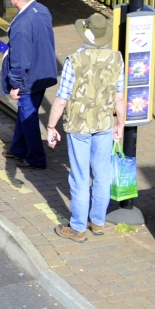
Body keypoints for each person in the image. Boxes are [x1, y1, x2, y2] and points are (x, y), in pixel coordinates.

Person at [46, 13, 127, 242]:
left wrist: (51, 126)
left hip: (79, 126)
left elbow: (61, 99)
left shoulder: (74, 61)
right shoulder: (116, 59)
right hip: (104, 123)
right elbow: (119, 99)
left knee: (80, 177)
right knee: (101, 174)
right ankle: (98, 222)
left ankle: (78, 227)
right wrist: (120, 123)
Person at [0, 0, 58, 169]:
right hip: (43, 72)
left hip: (28, 78)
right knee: (26, 111)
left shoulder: (21, 25)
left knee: (28, 116)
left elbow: (20, 59)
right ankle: (18, 148)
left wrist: (15, 84)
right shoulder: (42, 10)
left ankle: (36, 158)